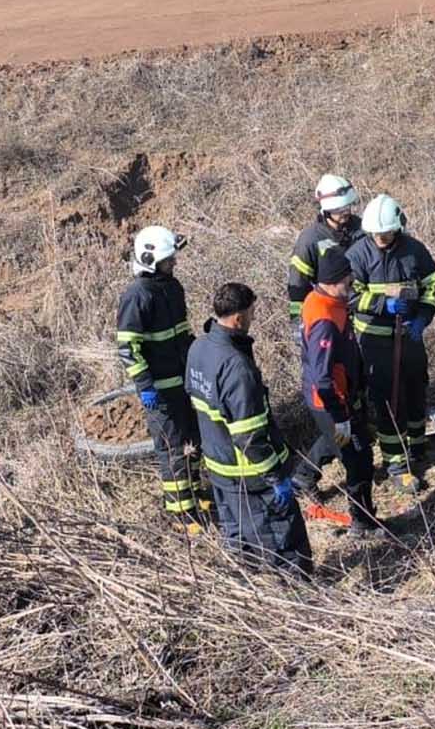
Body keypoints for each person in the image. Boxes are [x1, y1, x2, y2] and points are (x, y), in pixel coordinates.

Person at [187, 282, 312, 574]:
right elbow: (249, 435)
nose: (254, 317)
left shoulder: (199, 347)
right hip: (249, 475)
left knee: (239, 541)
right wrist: (275, 476)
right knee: (285, 544)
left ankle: (248, 591)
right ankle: (299, 599)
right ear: (239, 318)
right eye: (252, 312)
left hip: (219, 468)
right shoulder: (236, 367)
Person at [114, 225, 208, 532]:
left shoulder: (172, 286)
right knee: (172, 449)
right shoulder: (137, 295)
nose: (174, 264)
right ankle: (182, 514)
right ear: (149, 260)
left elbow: (181, 332)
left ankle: (196, 495)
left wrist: (198, 356)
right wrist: (145, 386)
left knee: (193, 440)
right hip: (159, 389)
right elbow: (128, 346)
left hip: (182, 382)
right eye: (168, 260)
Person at [346, 194, 435, 491]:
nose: (380, 238)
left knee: (415, 389)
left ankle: (417, 445)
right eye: (376, 234)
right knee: (387, 399)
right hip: (374, 342)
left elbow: (433, 285)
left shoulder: (415, 251)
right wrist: (381, 305)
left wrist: (423, 317)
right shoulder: (358, 254)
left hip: (409, 336)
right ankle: (396, 463)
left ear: (398, 227)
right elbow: (349, 295)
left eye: (385, 233)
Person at [289, 245, 381, 534]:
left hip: (335, 398)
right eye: (348, 281)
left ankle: (303, 475)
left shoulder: (321, 300)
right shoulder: (325, 320)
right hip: (331, 400)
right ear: (332, 281)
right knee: (359, 460)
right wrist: (340, 414)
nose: (351, 285)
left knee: (337, 441)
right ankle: (363, 522)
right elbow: (323, 375)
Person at [285, 173, 359, 319]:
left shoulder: (364, 230)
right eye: (338, 209)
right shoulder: (311, 239)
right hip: (328, 315)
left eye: (347, 207)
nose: (345, 212)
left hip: (362, 313)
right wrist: (299, 322)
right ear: (326, 211)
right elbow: (298, 284)